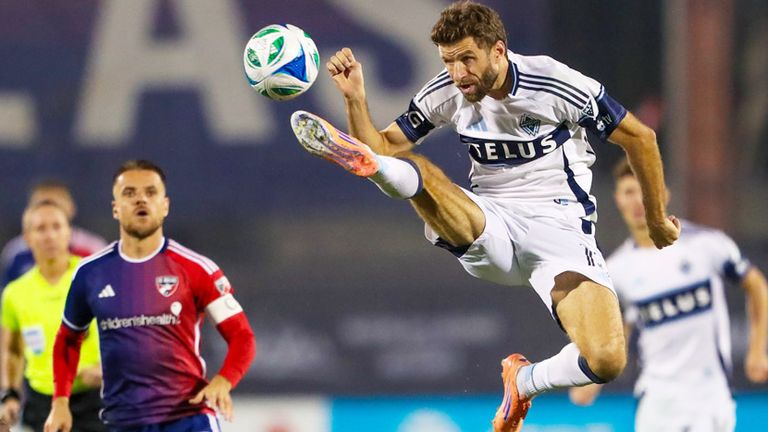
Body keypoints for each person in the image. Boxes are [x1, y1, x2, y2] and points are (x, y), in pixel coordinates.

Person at [289, 1, 681, 430]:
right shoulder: (446, 91)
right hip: (489, 222)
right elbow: (383, 144)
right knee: (419, 174)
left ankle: (524, 380)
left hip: (562, 232)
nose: (458, 74)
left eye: (466, 59)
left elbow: (639, 138)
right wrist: (356, 101)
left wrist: (657, 218)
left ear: (498, 50)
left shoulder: (554, 82)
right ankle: (387, 176)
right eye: (448, 61)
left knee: (607, 360)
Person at [44, 160, 256, 432]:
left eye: (150, 192)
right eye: (129, 193)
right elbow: (67, 339)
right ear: (115, 209)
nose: (140, 199)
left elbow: (242, 336)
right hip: (123, 422)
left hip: (188, 418)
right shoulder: (90, 273)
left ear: (165, 205)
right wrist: (60, 401)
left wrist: (224, 380)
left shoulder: (196, 268)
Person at [569, 159, 768, 431]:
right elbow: (618, 331)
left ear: (662, 192)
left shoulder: (705, 244)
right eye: (629, 192)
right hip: (657, 400)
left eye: (644, 189)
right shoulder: (616, 271)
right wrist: (592, 381)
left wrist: (757, 352)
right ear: (617, 200)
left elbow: (756, 285)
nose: (638, 200)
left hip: (710, 397)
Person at [0, 201, 104, 432]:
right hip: (41, 405)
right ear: (27, 237)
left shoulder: (95, 278)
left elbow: (128, 330)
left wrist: (108, 368)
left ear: (69, 232)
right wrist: (10, 395)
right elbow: (12, 350)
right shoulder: (15, 294)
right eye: (41, 229)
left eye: (57, 227)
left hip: (94, 401)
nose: (50, 236)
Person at [1, 180, 108, 287]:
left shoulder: (93, 250)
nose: (50, 236)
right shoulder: (15, 254)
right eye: (42, 204)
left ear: (71, 207)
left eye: (56, 204)